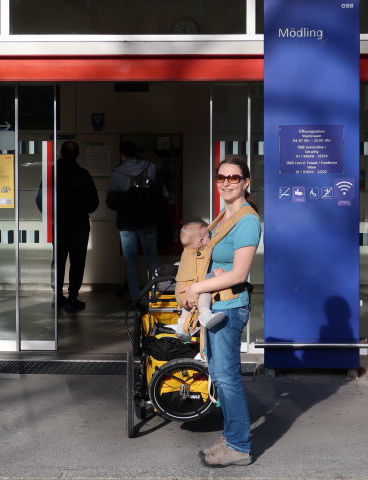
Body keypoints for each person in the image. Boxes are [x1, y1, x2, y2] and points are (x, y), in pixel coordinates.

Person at [179, 158, 262, 468]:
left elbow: (240, 273)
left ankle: (240, 445)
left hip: (229, 309)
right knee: (219, 375)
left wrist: (197, 288)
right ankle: (232, 436)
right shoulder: (221, 217)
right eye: (221, 177)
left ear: (246, 182)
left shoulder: (247, 220)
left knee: (227, 379)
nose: (227, 182)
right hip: (215, 306)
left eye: (234, 177)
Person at [37, 140, 99, 312]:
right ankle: (73, 297)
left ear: (61, 153)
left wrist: (53, 214)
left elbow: (40, 199)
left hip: (58, 224)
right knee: (77, 262)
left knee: (58, 260)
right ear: (77, 154)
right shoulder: (83, 174)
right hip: (79, 225)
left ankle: (57, 296)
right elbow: (94, 202)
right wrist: (79, 209)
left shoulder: (51, 173)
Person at [106, 141, 166, 303]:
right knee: (152, 258)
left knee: (130, 260)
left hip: (126, 223)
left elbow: (111, 202)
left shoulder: (118, 172)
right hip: (148, 221)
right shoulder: (151, 168)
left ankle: (135, 296)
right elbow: (163, 195)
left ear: (122, 155)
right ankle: (155, 294)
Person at [173, 221, 226, 343]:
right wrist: (214, 275)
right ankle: (205, 315)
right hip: (191, 291)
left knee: (186, 308)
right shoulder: (200, 254)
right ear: (201, 242)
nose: (210, 238)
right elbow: (199, 277)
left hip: (180, 293)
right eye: (209, 236)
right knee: (204, 289)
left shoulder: (185, 253)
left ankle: (182, 327)